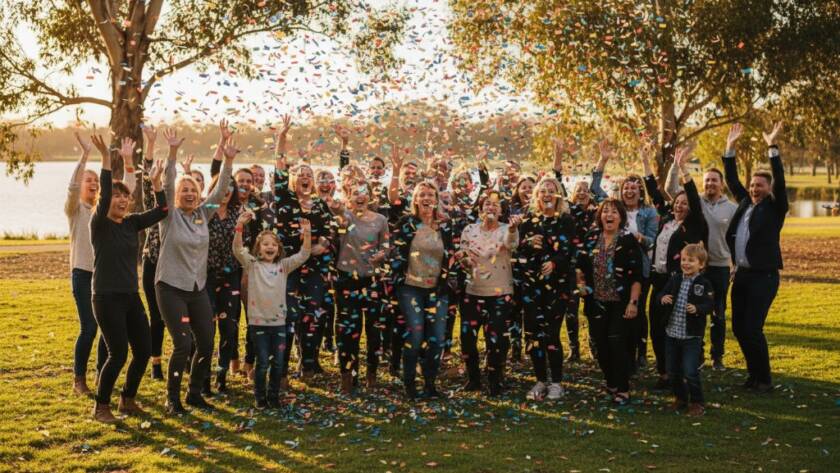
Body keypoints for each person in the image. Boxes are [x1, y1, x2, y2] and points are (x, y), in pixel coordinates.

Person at [155, 128, 238, 415]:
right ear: (177, 195)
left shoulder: (205, 213)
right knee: (182, 343)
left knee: (206, 343)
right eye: (184, 190)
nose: (189, 193)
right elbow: (166, 183)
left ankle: (194, 393)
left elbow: (221, 187)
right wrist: (173, 153)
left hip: (196, 288)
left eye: (193, 190)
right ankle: (172, 399)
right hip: (170, 287)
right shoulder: (168, 216)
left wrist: (227, 161)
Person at [88, 134, 168, 422]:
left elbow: (163, 211)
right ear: (106, 201)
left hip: (130, 296)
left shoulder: (132, 222)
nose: (121, 200)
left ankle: (127, 400)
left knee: (144, 350)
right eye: (117, 196)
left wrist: (157, 185)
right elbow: (106, 191)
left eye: (126, 196)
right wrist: (108, 160)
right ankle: (101, 406)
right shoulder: (99, 224)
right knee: (118, 353)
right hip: (106, 297)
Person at [722, 122, 787, 393]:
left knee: (752, 328)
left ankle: (764, 378)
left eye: (759, 185)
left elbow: (780, 180)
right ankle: (753, 375)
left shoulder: (775, 207)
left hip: (764, 277)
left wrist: (772, 147)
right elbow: (732, 180)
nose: (753, 188)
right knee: (739, 327)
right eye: (752, 185)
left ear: (768, 188)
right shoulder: (746, 202)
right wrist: (730, 147)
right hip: (743, 276)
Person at [271, 116, 336, 381]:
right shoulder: (283, 197)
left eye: (310, 175)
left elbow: (331, 231)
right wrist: (282, 137)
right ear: (292, 179)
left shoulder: (321, 205)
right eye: (301, 174)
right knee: (288, 316)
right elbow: (279, 165)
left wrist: (322, 243)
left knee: (312, 317)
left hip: (316, 268)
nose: (306, 178)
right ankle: (283, 371)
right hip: (289, 266)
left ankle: (307, 366)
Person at [643, 145, 709, 389]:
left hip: (677, 282)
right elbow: (654, 192)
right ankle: (664, 373)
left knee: (675, 329)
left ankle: (680, 373)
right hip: (658, 281)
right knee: (657, 329)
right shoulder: (667, 220)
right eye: (677, 202)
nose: (680, 206)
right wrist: (645, 163)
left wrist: (683, 170)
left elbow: (693, 197)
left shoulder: (693, 226)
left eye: (684, 204)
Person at [664, 159, 738, 371]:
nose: (710, 184)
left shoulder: (731, 209)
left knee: (718, 312)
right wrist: (678, 165)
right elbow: (671, 189)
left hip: (720, 266)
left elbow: (735, 237)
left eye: (714, 180)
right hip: (696, 267)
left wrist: (735, 263)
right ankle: (699, 354)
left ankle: (718, 356)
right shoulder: (695, 202)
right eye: (707, 181)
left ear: (721, 184)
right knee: (693, 309)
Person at [234, 212, 311, 408]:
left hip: (279, 324)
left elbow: (304, 255)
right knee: (262, 363)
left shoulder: (283, 266)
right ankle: (260, 398)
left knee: (277, 363)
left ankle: (274, 397)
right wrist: (239, 226)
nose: (270, 247)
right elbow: (237, 249)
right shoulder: (252, 265)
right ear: (258, 249)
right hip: (258, 323)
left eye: (273, 244)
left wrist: (307, 235)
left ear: (278, 250)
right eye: (265, 244)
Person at [389, 179, 457, 400]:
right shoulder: (406, 224)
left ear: (437, 200)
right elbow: (396, 254)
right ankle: (410, 385)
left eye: (431, 195)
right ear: (416, 200)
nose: (427, 198)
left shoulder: (445, 226)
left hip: (437, 290)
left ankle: (430, 384)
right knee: (416, 336)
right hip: (411, 288)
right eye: (423, 194)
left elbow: (452, 255)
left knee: (437, 338)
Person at [577, 199, 644, 405]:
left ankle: (623, 388)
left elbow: (637, 276)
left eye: (614, 212)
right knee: (600, 344)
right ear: (600, 216)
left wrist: (633, 302)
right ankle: (611, 382)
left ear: (621, 217)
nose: (609, 215)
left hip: (620, 302)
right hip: (595, 301)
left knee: (617, 343)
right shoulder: (591, 237)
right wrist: (580, 282)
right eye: (605, 211)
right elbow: (579, 265)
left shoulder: (628, 240)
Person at [517, 177, 577, 400]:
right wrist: (528, 243)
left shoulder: (566, 221)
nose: (547, 195)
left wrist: (554, 263)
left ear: (558, 195)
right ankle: (540, 380)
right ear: (537, 196)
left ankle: (557, 382)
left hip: (558, 287)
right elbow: (518, 252)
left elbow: (571, 251)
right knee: (533, 334)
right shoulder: (528, 222)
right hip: (532, 287)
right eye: (543, 191)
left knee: (551, 334)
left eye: (551, 191)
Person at [457, 193, 520, 396]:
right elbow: (464, 258)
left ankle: (495, 379)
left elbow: (512, 244)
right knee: (467, 338)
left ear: (501, 211)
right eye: (487, 204)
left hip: (500, 292)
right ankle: (473, 378)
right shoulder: (469, 229)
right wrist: (465, 262)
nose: (491, 207)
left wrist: (512, 229)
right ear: (480, 209)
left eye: (496, 205)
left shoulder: (506, 229)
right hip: (473, 291)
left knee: (496, 340)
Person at [330, 181, 390, 393]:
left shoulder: (381, 220)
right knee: (348, 331)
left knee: (373, 330)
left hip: (372, 280)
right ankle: (347, 377)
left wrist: (383, 254)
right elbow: (339, 217)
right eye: (355, 193)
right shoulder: (346, 216)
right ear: (349, 196)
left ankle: (371, 375)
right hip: (347, 280)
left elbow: (386, 245)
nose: (360, 197)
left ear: (370, 197)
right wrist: (336, 208)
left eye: (364, 193)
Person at [66, 131, 111, 395]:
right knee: (89, 327)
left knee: (106, 328)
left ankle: (100, 375)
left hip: (104, 277)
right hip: (82, 274)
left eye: (96, 180)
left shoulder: (102, 212)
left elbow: (122, 186)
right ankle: (78, 379)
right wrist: (85, 155)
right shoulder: (75, 209)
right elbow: (72, 187)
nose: (93, 182)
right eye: (88, 179)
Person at [657, 243, 715, 416]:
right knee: (672, 370)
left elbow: (709, 304)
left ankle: (697, 402)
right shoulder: (675, 279)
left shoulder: (704, 284)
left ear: (701, 265)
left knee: (690, 371)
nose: (686, 263)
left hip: (691, 336)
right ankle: (681, 398)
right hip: (672, 334)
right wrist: (663, 298)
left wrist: (698, 309)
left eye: (691, 260)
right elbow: (660, 294)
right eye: (683, 260)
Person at [617, 168, 658, 372]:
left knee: (638, 310)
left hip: (641, 268)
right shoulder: (616, 209)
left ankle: (640, 352)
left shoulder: (649, 212)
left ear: (640, 192)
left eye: (634, 188)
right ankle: (624, 352)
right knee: (621, 311)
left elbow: (652, 242)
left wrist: (637, 237)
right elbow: (595, 190)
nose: (629, 191)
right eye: (626, 188)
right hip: (617, 269)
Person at [205, 171, 242, 394]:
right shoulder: (205, 211)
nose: (227, 190)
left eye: (231, 186)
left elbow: (243, 247)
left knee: (229, 328)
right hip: (206, 276)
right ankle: (203, 379)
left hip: (231, 276)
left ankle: (221, 377)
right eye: (222, 186)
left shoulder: (239, 213)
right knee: (206, 329)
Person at [139, 125, 167, 381]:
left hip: (175, 268)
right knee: (156, 316)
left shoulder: (181, 209)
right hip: (152, 263)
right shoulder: (153, 207)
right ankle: (156, 362)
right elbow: (147, 180)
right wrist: (151, 144)